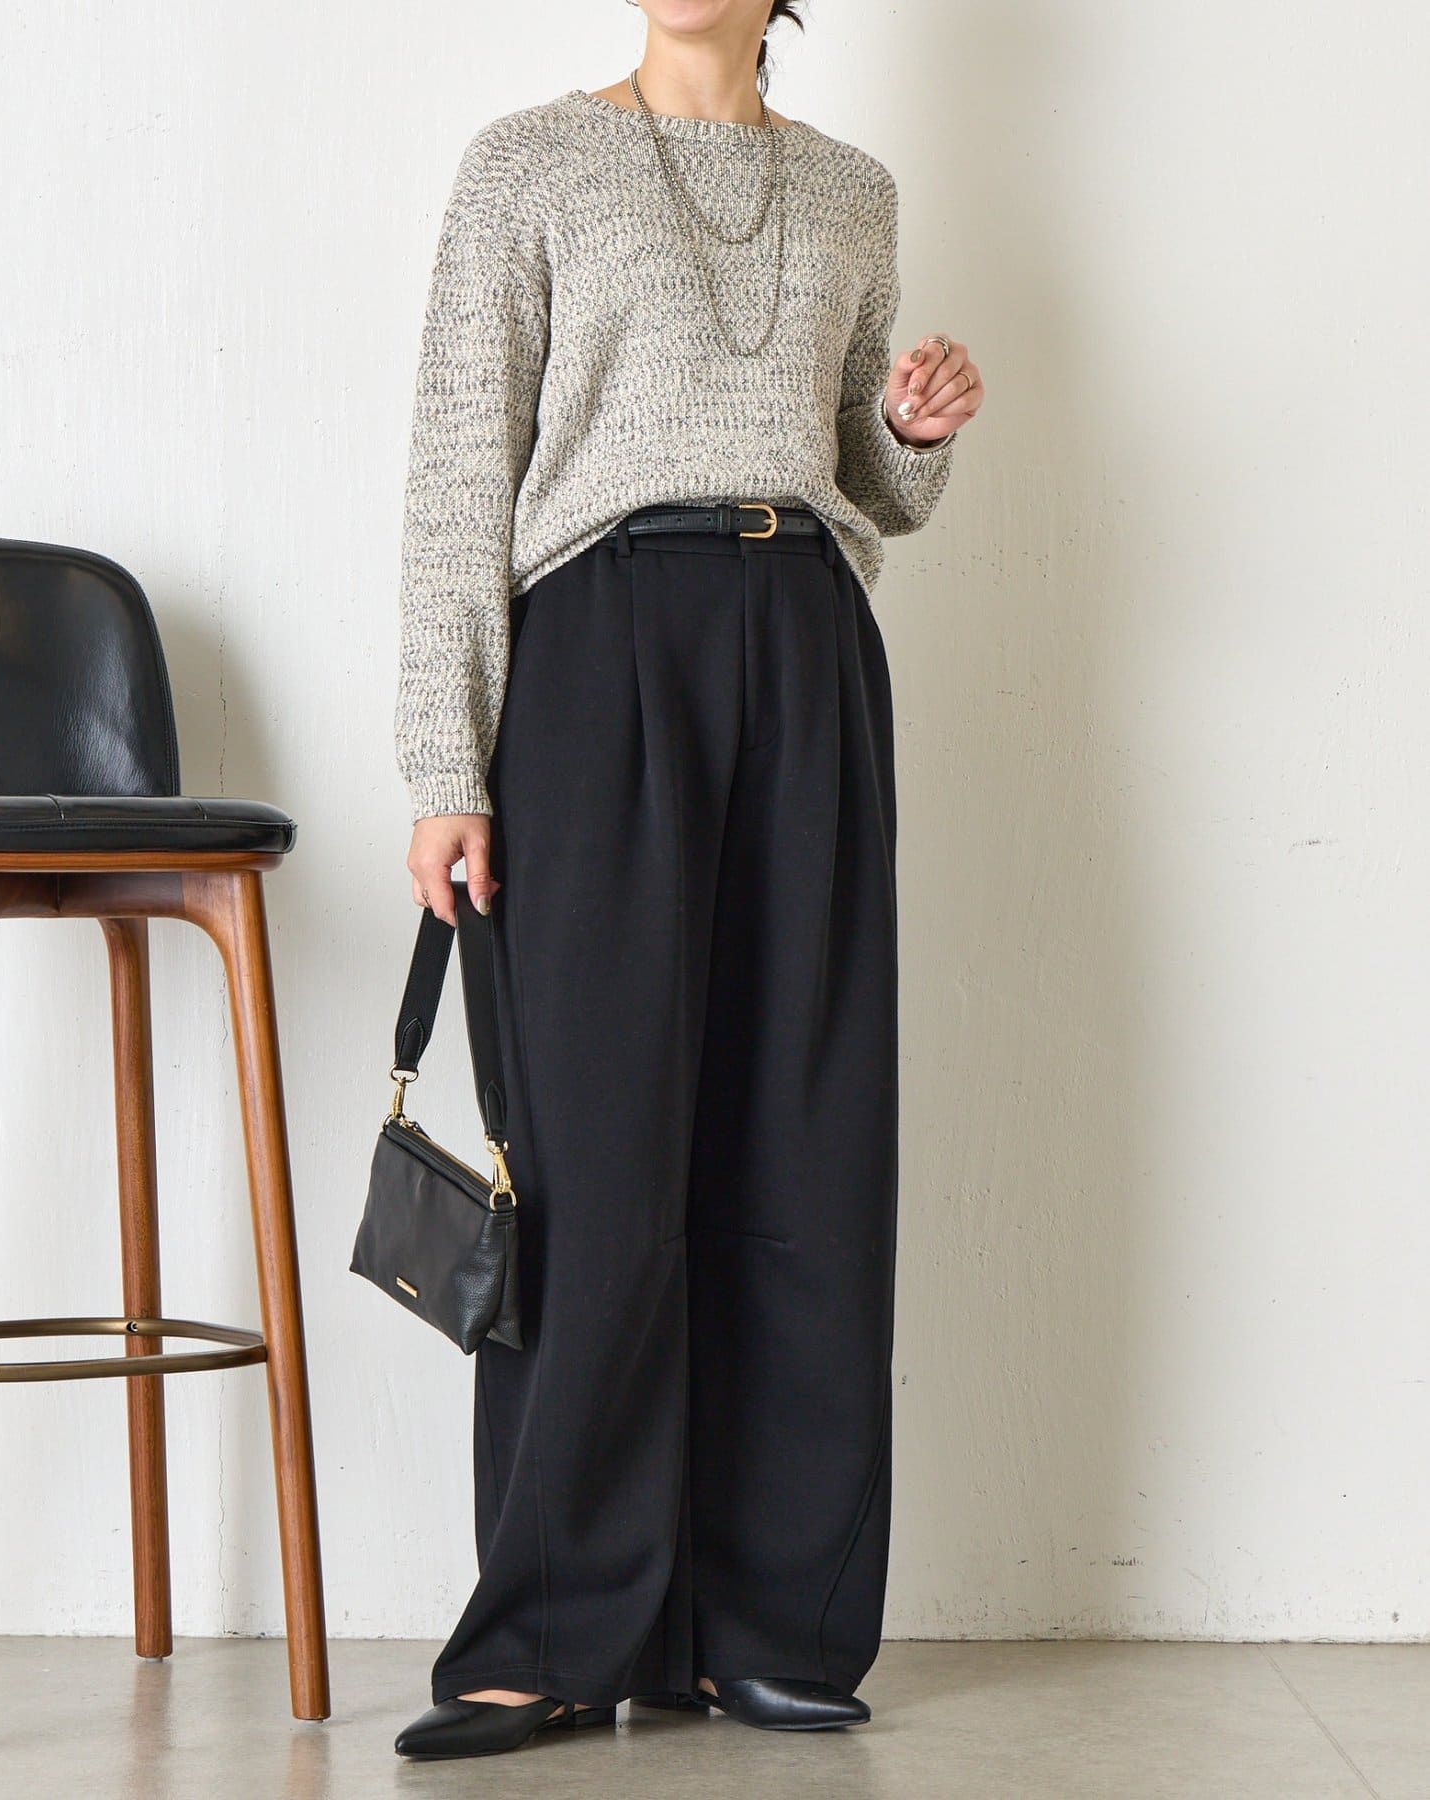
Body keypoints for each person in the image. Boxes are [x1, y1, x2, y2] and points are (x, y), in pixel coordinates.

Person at [390, 0, 983, 1764]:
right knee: (590, 1159)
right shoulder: (527, 166)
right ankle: (555, 1630)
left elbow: (865, 484)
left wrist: (910, 431)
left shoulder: (855, 193)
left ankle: (767, 1624)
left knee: (805, 1141)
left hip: (805, 642)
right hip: (598, 653)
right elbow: (458, 473)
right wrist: (445, 763)